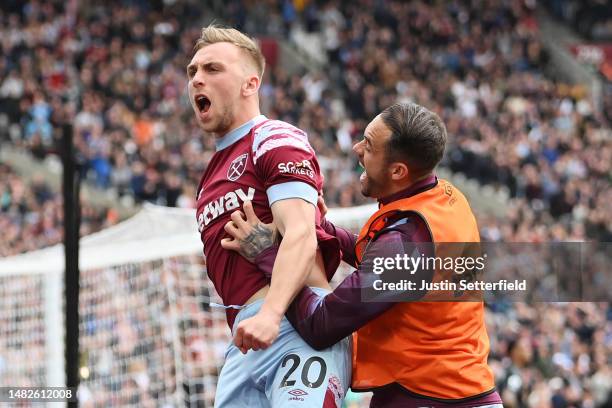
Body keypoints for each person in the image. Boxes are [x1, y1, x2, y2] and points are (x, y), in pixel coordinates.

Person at [222, 102, 503, 407]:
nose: (356, 148)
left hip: (432, 398)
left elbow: (321, 325)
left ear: (398, 171)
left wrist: (267, 255)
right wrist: (317, 227)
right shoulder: (444, 198)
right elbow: (388, 260)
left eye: (369, 145)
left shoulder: (405, 244)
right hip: (458, 389)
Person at [189, 25, 350, 407]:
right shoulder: (210, 176)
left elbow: (300, 235)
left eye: (212, 69)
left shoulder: (274, 138)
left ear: (250, 84)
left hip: (295, 327)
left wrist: (273, 313)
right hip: (245, 340)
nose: (197, 79)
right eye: (192, 71)